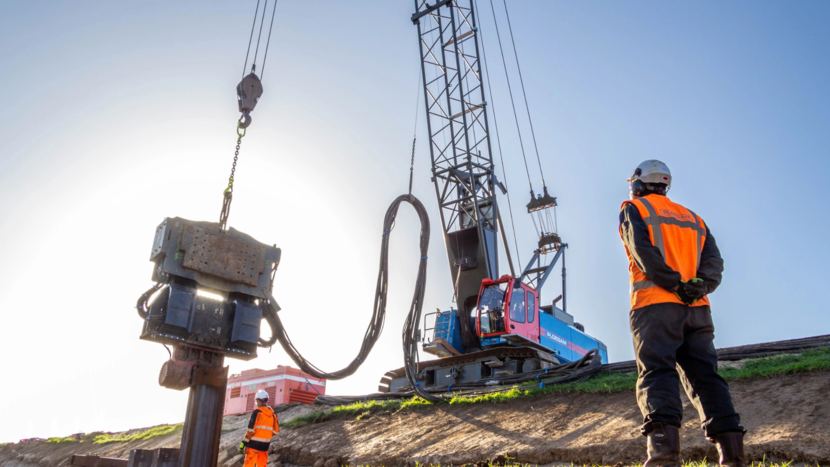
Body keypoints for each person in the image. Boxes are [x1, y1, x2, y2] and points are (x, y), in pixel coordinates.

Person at [619, 160, 746, 467]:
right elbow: (714, 263)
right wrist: (697, 287)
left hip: (655, 305)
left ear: (639, 183)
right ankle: (733, 458)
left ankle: (664, 459)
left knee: (657, 373)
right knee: (707, 379)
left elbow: (643, 253)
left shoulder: (634, 209)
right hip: (697, 312)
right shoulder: (694, 219)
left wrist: (674, 285)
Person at [238, 390, 279, 467]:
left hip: (253, 444)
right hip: (265, 445)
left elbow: (251, 430)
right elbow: (276, 431)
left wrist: (245, 442)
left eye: (256, 401)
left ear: (259, 401)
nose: (256, 403)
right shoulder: (273, 413)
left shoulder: (257, 412)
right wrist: (265, 435)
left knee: (249, 465)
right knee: (262, 465)